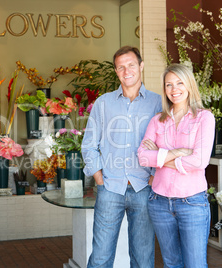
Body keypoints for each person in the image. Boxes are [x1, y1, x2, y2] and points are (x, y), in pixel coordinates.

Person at [81, 46, 162, 267]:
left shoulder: (157, 103)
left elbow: (166, 143)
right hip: (110, 188)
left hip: (143, 189)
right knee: (100, 257)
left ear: (141, 66)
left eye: (131, 65)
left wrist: (154, 178)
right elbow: (88, 144)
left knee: (143, 258)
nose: (127, 71)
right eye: (121, 67)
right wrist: (99, 178)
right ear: (116, 71)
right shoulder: (103, 103)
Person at [137, 63, 215, 267]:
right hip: (159, 202)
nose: (174, 89)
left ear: (189, 85)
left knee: (195, 264)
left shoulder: (204, 118)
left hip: (192, 203)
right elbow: (143, 157)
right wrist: (177, 154)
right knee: (171, 264)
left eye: (179, 83)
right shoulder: (157, 121)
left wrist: (160, 158)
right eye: (169, 84)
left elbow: (200, 161)